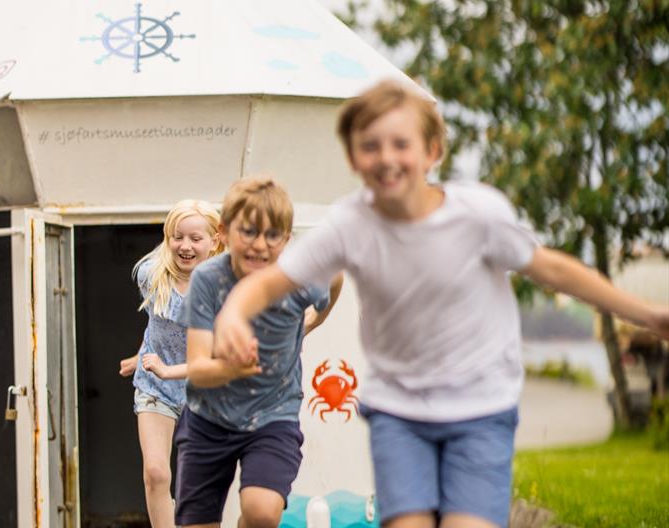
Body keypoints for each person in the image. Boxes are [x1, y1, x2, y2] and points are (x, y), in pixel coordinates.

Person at [211, 80, 669, 528]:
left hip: (481, 407)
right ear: (352, 157)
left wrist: (645, 314)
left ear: (433, 152)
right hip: (399, 411)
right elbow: (271, 282)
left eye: (400, 144)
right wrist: (233, 312)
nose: (386, 157)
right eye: (370, 146)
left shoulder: (477, 216)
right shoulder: (350, 224)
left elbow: (553, 269)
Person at [175, 178, 344, 528]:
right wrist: (231, 368)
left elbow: (336, 276)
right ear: (223, 232)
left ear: (287, 239)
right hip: (208, 417)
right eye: (248, 232)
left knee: (262, 512)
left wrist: (314, 319)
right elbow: (197, 367)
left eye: (272, 236)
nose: (259, 246)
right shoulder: (208, 279)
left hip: (273, 413)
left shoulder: (300, 278)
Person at [122, 199, 222, 528]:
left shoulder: (224, 286)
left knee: (199, 484)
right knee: (156, 472)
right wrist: (142, 355)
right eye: (177, 237)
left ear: (215, 241)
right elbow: (156, 323)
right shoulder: (151, 276)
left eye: (196, 239)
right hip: (157, 387)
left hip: (203, 389)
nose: (185, 246)